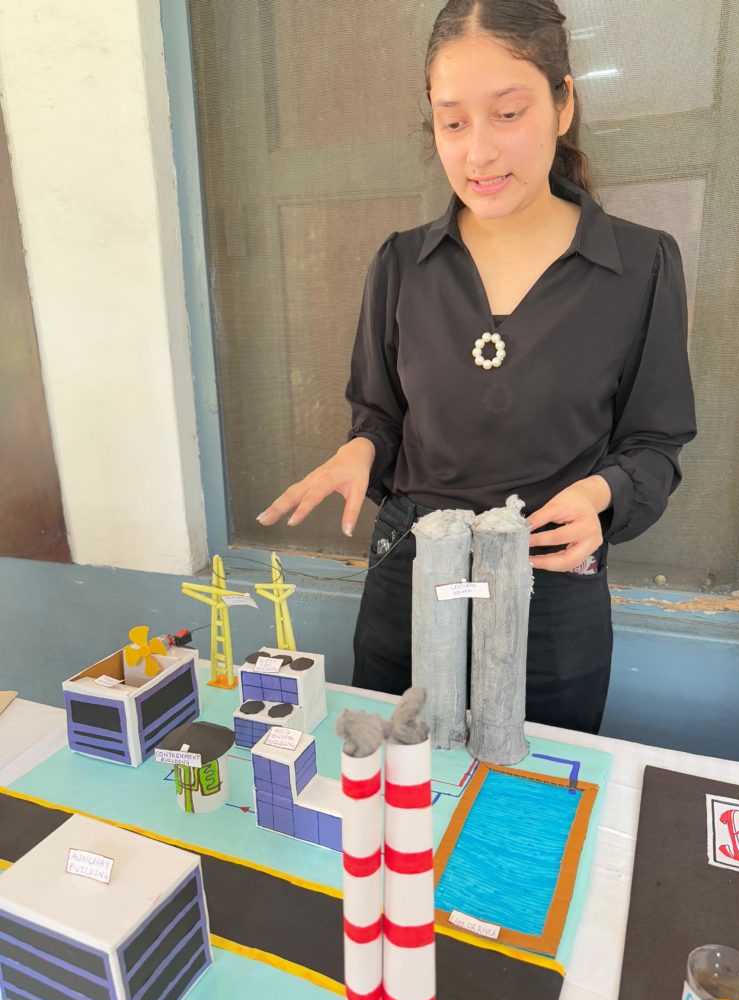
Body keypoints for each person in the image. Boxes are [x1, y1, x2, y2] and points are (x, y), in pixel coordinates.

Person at [257, 0, 696, 734]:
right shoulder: (403, 263)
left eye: (508, 114)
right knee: (399, 768)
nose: (479, 153)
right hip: (410, 567)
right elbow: (380, 417)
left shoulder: (640, 264)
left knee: (528, 785)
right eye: (453, 122)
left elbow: (656, 441)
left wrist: (601, 497)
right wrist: (360, 449)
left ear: (563, 103)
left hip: (550, 576)